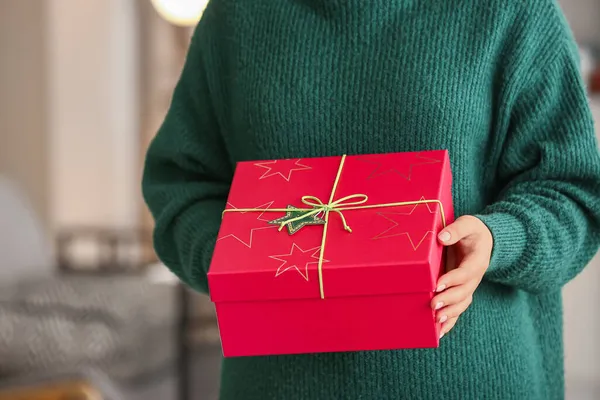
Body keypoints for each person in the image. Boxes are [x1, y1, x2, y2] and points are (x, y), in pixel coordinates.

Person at [142, 1, 600, 399]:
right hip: (277, 384)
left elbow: (573, 192)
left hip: (473, 380)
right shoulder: (235, 17)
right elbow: (181, 188)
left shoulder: (511, 12)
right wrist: (236, 260)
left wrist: (498, 238)